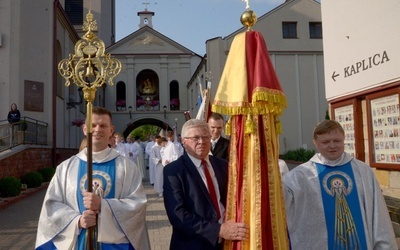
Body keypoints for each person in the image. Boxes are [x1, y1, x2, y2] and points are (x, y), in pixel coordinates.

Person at [35, 106, 150, 250]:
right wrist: (77, 221)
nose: (97, 130)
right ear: (84, 129)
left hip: (115, 244)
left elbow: (138, 205)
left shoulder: (126, 167)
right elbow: (51, 206)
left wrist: (103, 205)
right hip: (77, 241)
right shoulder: (66, 168)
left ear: (111, 130)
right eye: (93, 125)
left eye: (103, 126)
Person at [282, 120, 397, 249]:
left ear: (343, 140)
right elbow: (280, 204)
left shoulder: (363, 171)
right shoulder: (300, 176)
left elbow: (378, 213)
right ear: (315, 143)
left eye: (337, 141)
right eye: (325, 142)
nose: (332, 146)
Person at [163, 119, 249, 249]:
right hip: (193, 243)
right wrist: (218, 230)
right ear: (184, 141)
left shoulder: (223, 165)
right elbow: (178, 215)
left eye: (205, 137)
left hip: (227, 241)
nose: (201, 142)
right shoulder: (174, 171)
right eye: (195, 138)